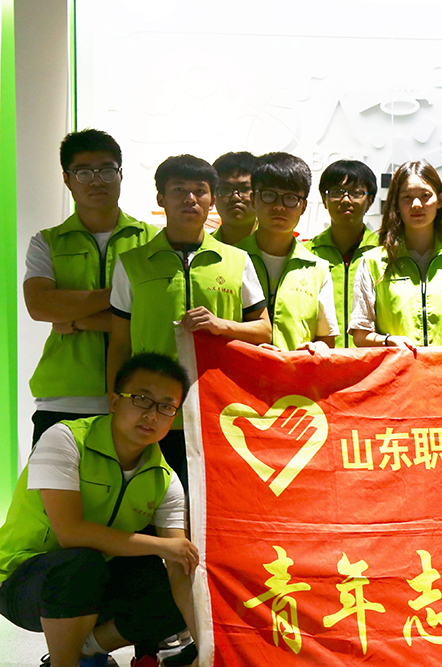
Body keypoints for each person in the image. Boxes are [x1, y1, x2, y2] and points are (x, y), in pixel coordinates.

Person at [0, 353, 200, 667]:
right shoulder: (65, 440)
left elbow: (179, 566)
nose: (152, 415)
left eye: (166, 406)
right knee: (82, 563)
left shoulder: (165, 479)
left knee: (172, 592)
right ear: (115, 401)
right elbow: (70, 533)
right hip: (23, 581)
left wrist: (207, 649)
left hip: (93, 581)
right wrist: (163, 546)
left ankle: (84, 650)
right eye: (142, 399)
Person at [107, 154, 270, 487]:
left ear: (212, 200)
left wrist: (223, 326)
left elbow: (264, 331)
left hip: (221, 411)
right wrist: (115, 404)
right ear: (161, 199)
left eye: (200, 190)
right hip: (151, 412)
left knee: (217, 501)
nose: (190, 198)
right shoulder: (132, 263)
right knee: (153, 499)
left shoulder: (237, 260)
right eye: (179, 189)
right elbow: (120, 342)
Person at [23, 129, 157, 444]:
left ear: (121, 175)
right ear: (67, 179)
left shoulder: (151, 240)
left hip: (138, 397)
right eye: (84, 172)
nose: (96, 181)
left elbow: (155, 314)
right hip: (64, 397)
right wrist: (120, 297)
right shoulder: (47, 242)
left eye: (107, 170)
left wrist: (77, 320)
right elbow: (39, 306)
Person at [349, 161, 442, 350]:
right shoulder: (373, 262)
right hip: (396, 367)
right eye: (407, 197)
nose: (416, 204)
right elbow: (360, 335)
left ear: (440, 200)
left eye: (425, 196)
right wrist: (388, 341)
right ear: (396, 203)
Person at [236, 152, 339, 351]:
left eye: (290, 198)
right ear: (253, 199)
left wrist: (316, 348)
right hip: (241, 370)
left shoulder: (317, 268)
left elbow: (326, 340)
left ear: (303, 206)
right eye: (269, 195)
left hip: (296, 369)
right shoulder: (232, 259)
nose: (279, 207)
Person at [305, 159, 380, 348]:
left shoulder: (384, 254)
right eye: (337, 192)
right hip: (321, 359)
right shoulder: (306, 255)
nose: (346, 200)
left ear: (370, 201)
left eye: (356, 193)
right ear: (324, 199)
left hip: (372, 360)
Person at [211, 151, 257, 246]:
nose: (235, 197)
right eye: (225, 189)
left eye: (244, 189)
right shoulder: (202, 249)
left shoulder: (278, 248)